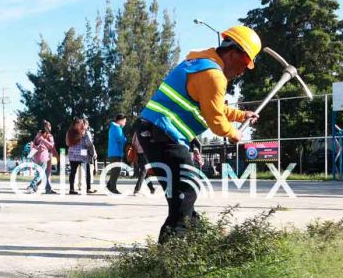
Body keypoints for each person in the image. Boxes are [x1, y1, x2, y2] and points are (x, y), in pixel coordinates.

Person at [136, 25, 260, 243]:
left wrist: (242, 115)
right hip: (162, 132)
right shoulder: (214, 75)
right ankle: (170, 254)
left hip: (156, 131)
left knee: (182, 195)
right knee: (186, 189)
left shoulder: (201, 63)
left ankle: (198, 242)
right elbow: (216, 120)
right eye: (244, 63)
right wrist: (235, 134)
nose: (243, 71)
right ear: (233, 53)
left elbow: (212, 107)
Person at [28, 120, 57, 194]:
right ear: (44, 127)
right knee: (41, 172)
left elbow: (52, 146)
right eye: (48, 126)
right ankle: (33, 186)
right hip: (42, 156)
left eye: (50, 125)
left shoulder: (49, 135)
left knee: (47, 172)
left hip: (47, 155)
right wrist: (45, 140)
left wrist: (55, 154)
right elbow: (49, 145)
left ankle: (48, 188)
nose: (50, 127)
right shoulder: (39, 135)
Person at [106, 114, 127, 194]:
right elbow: (122, 140)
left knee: (114, 170)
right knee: (116, 171)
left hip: (112, 152)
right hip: (116, 152)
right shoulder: (117, 129)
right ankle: (113, 188)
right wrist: (125, 139)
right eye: (124, 121)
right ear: (120, 121)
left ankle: (109, 185)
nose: (125, 123)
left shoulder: (112, 128)